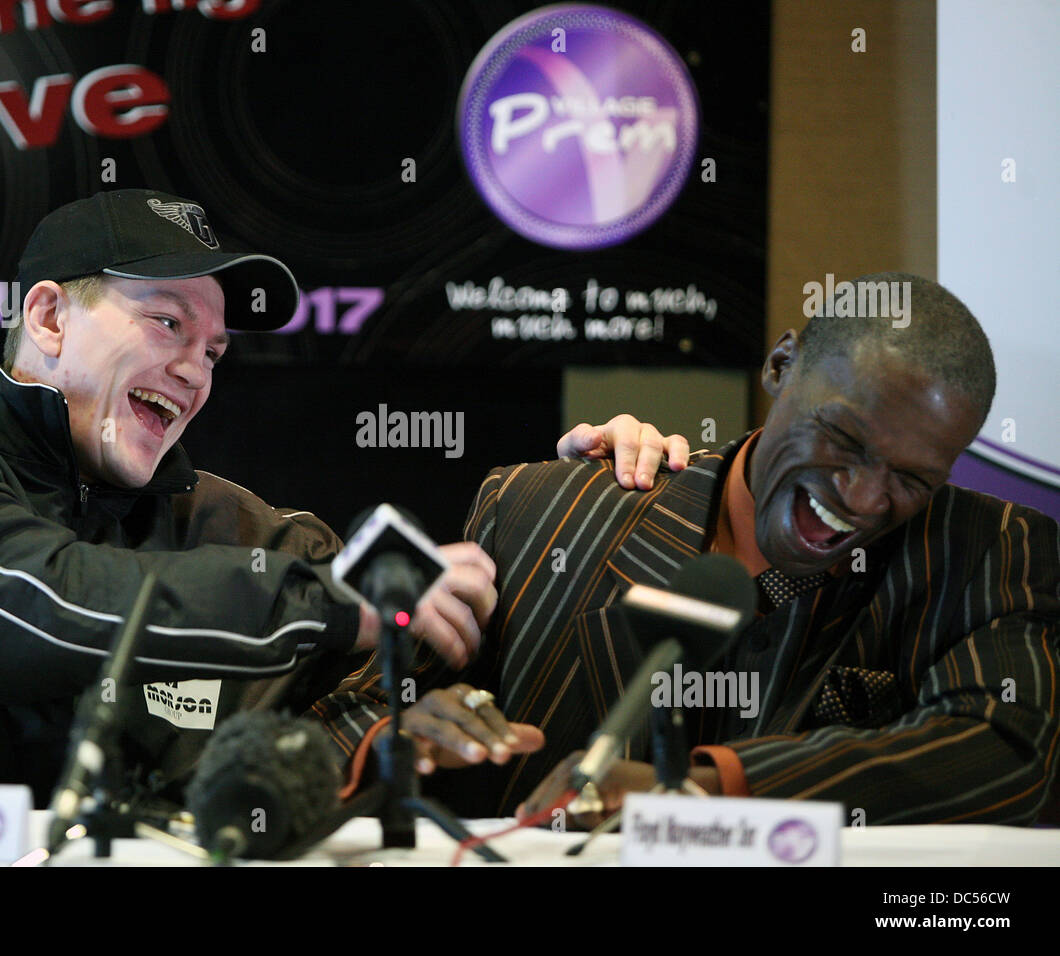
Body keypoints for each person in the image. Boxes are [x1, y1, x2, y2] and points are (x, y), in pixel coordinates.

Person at [0, 188, 505, 807]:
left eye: (213, 350)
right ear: (49, 317)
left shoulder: (234, 530)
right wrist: (329, 602)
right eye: (168, 323)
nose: (195, 371)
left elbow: (425, 620)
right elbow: (38, 600)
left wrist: (595, 477)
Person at [314, 273, 1060, 826]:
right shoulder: (538, 511)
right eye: (842, 439)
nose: (864, 499)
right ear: (779, 368)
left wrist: (704, 793)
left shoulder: (992, 550)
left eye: (911, 478)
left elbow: (1006, 751)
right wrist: (406, 733)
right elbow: (342, 715)